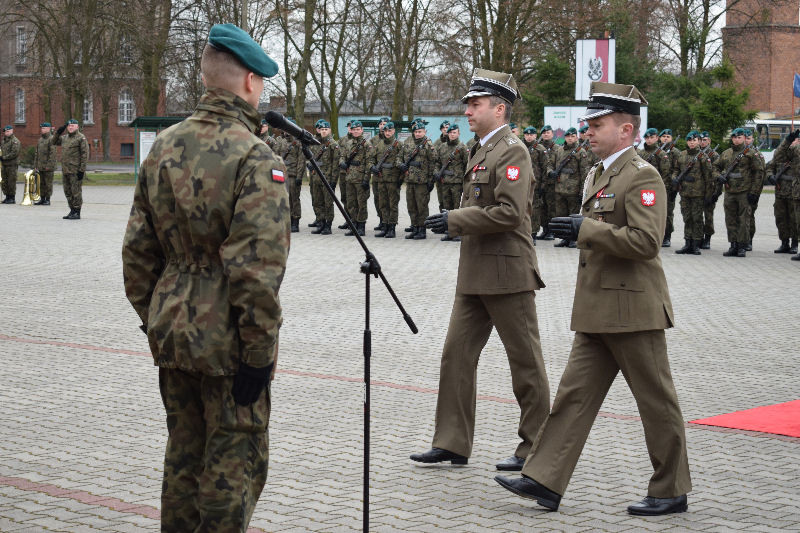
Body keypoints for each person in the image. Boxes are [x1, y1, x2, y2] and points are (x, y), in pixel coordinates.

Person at [121, 24, 289, 532]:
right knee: (231, 471)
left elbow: (137, 254)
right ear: (250, 84)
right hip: (229, 345)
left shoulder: (164, 147)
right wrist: (259, 355)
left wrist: (160, 315)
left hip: (173, 331)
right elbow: (255, 272)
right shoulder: (256, 157)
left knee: (183, 460)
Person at [495, 82, 692, 516]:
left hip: (633, 310)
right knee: (572, 398)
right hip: (597, 309)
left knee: (656, 402)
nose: (587, 132)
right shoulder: (599, 172)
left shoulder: (642, 174)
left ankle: (670, 488)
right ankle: (544, 480)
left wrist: (587, 229)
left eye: (596, 125)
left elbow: (646, 242)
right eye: (587, 125)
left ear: (626, 130)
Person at [413, 68, 549, 473]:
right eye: (468, 104)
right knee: (456, 357)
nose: (468, 111)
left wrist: (457, 219)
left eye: (475, 104)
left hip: (507, 273)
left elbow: (510, 214)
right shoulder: (480, 148)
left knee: (525, 364)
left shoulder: (512, 151)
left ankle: (537, 448)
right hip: (474, 274)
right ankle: (452, 443)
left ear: (499, 108)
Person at [712, 128, 763, 257]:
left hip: (744, 192)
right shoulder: (726, 153)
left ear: (744, 138)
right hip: (730, 191)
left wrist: (754, 192)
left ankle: (742, 246)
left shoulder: (750, 154)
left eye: (739, 137)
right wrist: (719, 176)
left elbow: (758, 172)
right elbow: (714, 167)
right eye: (734, 137)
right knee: (730, 219)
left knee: (744, 219)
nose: (736, 140)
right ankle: (733, 245)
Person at [673, 131, 713, 255]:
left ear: (698, 142)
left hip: (698, 193)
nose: (692, 142)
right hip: (685, 193)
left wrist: (708, 195)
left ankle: (696, 244)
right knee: (687, 218)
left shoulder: (703, 157)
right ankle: (687, 243)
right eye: (689, 140)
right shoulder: (682, 155)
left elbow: (708, 177)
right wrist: (674, 177)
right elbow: (676, 170)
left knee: (697, 219)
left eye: (694, 140)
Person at [549, 127, 588, 247]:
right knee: (561, 215)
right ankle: (564, 238)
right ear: (564, 137)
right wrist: (550, 172)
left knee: (573, 216)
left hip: (573, 190)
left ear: (576, 137)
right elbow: (550, 164)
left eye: (572, 136)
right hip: (560, 189)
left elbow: (584, 173)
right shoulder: (559, 150)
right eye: (568, 136)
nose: (570, 138)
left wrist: (582, 191)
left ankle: (573, 239)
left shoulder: (581, 152)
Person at [398, 119, 435, 239]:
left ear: (424, 131)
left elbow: (433, 163)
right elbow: (399, 157)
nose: (418, 133)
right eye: (416, 132)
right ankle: (414, 228)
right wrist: (401, 165)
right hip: (410, 180)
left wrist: (431, 180)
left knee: (422, 207)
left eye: (420, 131)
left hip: (422, 182)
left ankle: (422, 230)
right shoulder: (408, 143)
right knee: (411, 206)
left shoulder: (428, 145)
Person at [769, 129, 800, 258]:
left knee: (795, 220)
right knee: (786, 219)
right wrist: (787, 140)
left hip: (793, 191)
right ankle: (785, 243)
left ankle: (794, 244)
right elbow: (778, 156)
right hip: (791, 191)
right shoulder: (795, 151)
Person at [369, 121, 402, 238]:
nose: (387, 133)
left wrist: (400, 180)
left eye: (390, 131)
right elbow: (371, 159)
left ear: (393, 131)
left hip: (393, 180)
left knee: (392, 204)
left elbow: (402, 163)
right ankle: (385, 225)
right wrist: (372, 167)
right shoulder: (379, 145)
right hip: (381, 179)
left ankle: (392, 228)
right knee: (383, 204)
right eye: (385, 131)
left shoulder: (398, 145)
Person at [436, 124, 468, 241]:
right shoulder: (442, 147)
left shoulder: (462, 147)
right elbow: (437, 162)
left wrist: (466, 182)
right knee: (447, 207)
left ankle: (458, 231)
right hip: (445, 182)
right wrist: (437, 173)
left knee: (457, 208)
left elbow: (467, 165)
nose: (452, 135)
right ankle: (450, 231)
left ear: (458, 134)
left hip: (457, 182)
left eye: (454, 133)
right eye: (450, 133)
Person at [51, 119, 88, 219]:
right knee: (67, 191)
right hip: (66, 170)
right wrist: (58, 132)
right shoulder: (65, 138)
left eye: (72, 125)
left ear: (77, 126)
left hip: (75, 170)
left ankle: (77, 211)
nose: (70, 127)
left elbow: (85, 155)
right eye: (69, 126)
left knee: (76, 192)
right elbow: (53, 142)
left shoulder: (81, 138)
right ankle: (72, 210)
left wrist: (82, 170)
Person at [338, 119, 371, 236]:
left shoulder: (367, 145)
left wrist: (366, 179)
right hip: (349, 178)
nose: (356, 131)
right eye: (354, 130)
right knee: (351, 203)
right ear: (351, 131)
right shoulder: (348, 143)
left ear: (362, 130)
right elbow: (341, 155)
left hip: (360, 178)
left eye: (358, 129)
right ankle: (354, 225)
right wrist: (342, 162)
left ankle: (361, 226)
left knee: (361, 203)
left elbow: (369, 163)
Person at [309, 119, 340, 235]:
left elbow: (335, 165)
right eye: (322, 130)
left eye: (326, 129)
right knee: (318, 202)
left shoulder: (333, 145)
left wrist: (333, 181)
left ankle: (328, 225)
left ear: (330, 130)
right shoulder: (316, 143)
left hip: (327, 178)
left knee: (328, 203)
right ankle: (320, 223)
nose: (324, 132)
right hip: (316, 177)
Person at [536, 125, 559, 240]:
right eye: (543, 132)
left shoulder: (557, 148)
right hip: (540, 182)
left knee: (551, 208)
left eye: (548, 132)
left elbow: (556, 164)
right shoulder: (538, 147)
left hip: (551, 183)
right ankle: (544, 230)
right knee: (542, 208)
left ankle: (552, 231)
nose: (545, 134)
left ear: (552, 134)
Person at [699, 131, 719, 248]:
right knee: (697, 216)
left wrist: (715, 192)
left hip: (709, 190)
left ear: (709, 141)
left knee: (708, 216)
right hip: (697, 190)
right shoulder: (697, 154)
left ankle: (708, 239)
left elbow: (716, 174)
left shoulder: (714, 155)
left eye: (705, 140)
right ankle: (699, 237)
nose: (702, 142)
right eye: (701, 140)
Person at [370, 116, 390, 232]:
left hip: (388, 175)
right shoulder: (373, 140)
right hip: (377, 175)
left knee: (387, 200)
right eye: (381, 124)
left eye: (385, 124)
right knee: (378, 199)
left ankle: (388, 222)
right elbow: (370, 156)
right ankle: (381, 220)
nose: (383, 126)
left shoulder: (393, 139)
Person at [34, 122, 57, 206]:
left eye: (43, 128)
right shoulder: (40, 140)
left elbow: (52, 154)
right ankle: (42, 198)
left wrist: (49, 166)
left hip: (48, 167)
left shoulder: (51, 139)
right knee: (41, 183)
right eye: (41, 128)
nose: (42, 129)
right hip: (40, 166)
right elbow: (37, 153)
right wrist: (35, 165)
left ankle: (48, 199)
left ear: (48, 129)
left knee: (48, 183)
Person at [1, 125, 21, 203]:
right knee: (4, 182)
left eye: (8, 131)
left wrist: (4, 157)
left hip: (12, 165)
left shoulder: (15, 141)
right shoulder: (4, 141)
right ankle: (7, 196)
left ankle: (12, 198)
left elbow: (14, 153)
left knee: (11, 181)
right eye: (5, 131)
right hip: (4, 165)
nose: (6, 133)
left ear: (12, 131)